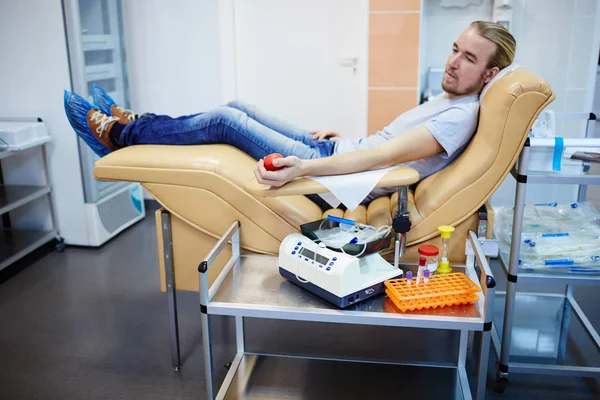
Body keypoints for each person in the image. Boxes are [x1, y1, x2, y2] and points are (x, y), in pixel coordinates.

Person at [64, 21, 516, 209]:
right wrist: (348, 138)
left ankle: (122, 135)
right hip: (339, 150)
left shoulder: (460, 117)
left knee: (225, 120)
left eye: (469, 59)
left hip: (339, 182)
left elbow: (379, 162)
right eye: (455, 50)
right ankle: (140, 122)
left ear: (490, 72)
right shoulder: (450, 101)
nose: (454, 62)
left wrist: (305, 167)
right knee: (240, 107)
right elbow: (383, 146)